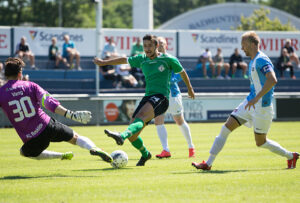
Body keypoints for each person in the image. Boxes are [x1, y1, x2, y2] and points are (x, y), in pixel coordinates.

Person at [192, 31, 299, 171]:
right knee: (225, 128)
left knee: (261, 142)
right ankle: (208, 163)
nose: (242, 48)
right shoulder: (253, 61)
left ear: (252, 44)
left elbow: (273, 80)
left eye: (244, 45)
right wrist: (253, 99)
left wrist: (256, 98)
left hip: (262, 107)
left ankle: (291, 156)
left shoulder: (261, 59)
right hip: (249, 103)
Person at [94, 34, 195, 166]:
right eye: (145, 46)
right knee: (133, 134)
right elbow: (124, 60)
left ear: (156, 46)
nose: (147, 49)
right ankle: (145, 154)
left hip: (162, 98)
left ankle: (121, 136)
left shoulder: (168, 59)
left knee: (140, 119)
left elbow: (182, 72)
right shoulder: (142, 59)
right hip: (148, 96)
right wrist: (104, 63)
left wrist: (190, 88)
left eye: (150, 46)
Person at [0, 57, 112, 163]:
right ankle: (93, 148)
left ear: (5, 74)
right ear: (20, 73)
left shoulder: (1, 92)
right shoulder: (30, 85)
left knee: (24, 152)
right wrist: (71, 114)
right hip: (47, 125)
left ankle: (61, 155)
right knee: (75, 138)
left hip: (31, 139)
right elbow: (49, 103)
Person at [155, 36, 195, 159]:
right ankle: (165, 149)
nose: (160, 45)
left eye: (162, 43)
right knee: (158, 120)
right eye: (158, 43)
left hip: (173, 94)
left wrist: (169, 80)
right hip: (160, 95)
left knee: (179, 121)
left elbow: (180, 75)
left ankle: (191, 147)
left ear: (166, 45)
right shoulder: (154, 60)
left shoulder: (172, 59)